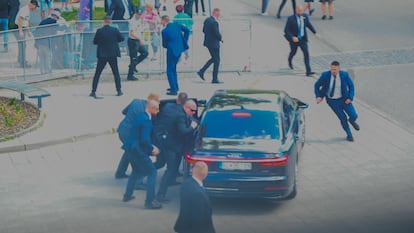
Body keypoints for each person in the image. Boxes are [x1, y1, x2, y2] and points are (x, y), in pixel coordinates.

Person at [154, 98, 198, 204]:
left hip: (177, 146)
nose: (194, 113)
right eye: (192, 110)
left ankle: (171, 181)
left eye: (195, 111)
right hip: (171, 147)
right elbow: (183, 131)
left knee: (173, 169)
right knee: (170, 169)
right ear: (186, 108)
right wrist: (192, 127)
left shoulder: (184, 114)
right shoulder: (181, 116)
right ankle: (160, 195)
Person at [122, 99, 163, 210]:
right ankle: (150, 201)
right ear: (150, 108)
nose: (158, 111)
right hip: (138, 151)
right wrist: (152, 149)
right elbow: (145, 139)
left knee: (136, 172)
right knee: (152, 172)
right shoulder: (146, 121)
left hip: (130, 149)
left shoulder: (140, 117)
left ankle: (127, 195)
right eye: (156, 108)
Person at [115, 93, 160, 179]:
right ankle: (138, 181)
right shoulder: (146, 113)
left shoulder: (136, 101)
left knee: (128, 151)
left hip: (122, 129)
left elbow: (124, 112)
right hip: (130, 134)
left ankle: (120, 173)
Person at [314, 61, 360, 142]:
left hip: (344, 99)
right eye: (332, 69)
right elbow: (317, 85)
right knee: (342, 118)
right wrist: (318, 96)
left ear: (339, 69)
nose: (333, 71)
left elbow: (351, 86)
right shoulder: (325, 75)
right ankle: (349, 134)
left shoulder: (344, 75)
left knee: (354, 115)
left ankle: (352, 121)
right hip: (333, 102)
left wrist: (350, 97)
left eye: (335, 69)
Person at [174, 161, 216, 233]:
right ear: (205, 174)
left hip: (184, 225)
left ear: (193, 170)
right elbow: (199, 218)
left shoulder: (186, 184)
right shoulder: (198, 193)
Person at [89, 16, 124, 98]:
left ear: (103, 22)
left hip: (102, 54)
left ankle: (93, 91)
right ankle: (119, 90)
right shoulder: (115, 30)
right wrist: (114, 41)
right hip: (113, 54)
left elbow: (95, 41)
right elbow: (122, 38)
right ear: (110, 22)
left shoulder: (99, 31)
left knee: (97, 73)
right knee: (116, 73)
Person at [284, 5, 319, 77]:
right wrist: (292, 37)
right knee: (293, 52)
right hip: (294, 40)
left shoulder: (305, 16)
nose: (300, 12)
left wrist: (315, 33)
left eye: (302, 11)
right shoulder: (291, 19)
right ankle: (290, 60)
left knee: (306, 54)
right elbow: (286, 30)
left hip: (303, 39)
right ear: (296, 10)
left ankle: (308, 71)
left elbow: (309, 25)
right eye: (299, 10)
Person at [160, 14, 190, 95]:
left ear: (164, 20)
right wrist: (184, 41)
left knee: (170, 70)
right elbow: (187, 30)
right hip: (179, 49)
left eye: (161, 21)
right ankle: (175, 86)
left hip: (171, 50)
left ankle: (174, 89)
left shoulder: (164, 31)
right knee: (174, 69)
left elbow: (164, 44)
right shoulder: (177, 25)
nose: (161, 23)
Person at [197, 8, 223, 84]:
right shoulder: (214, 22)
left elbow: (203, 30)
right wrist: (221, 38)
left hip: (208, 42)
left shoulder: (207, 20)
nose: (219, 16)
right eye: (218, 14)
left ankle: (202, 71)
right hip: (214, 44)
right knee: (217, 60)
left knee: (214, 59)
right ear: (216, 13)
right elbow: (217, 33)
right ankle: (214, 78)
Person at [33, 9, 59, 74]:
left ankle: (42, 71)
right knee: (48, 57)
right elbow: (54, 33)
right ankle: (48, 71)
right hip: (47, 42)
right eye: (57, 18)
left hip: (40, 42)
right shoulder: (53, 22)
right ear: (55, 17)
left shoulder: (43, 21)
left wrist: (36, 43)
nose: (57, 19)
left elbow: (36, 31)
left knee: (42, 58)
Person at [15, 0, 39, 68]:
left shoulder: (28, 10)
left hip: (23, 28)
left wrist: (28, 31)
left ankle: (21, 60)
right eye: (35, 6)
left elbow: (27, 21)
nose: (35, 8)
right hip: (19, 28)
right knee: (22, 45)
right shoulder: (25, 10)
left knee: (23, 45)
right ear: (32, 4)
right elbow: (20, 20)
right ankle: (22, 63)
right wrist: (20, 31)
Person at [126, 9, 149, 81]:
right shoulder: (133, 21)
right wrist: (140, 39)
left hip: (138, 40)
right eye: (138, 14)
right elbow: (131, 33)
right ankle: (130, 75)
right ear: (135, 14)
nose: (139, 16)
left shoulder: (139, 20)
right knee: (133, 58)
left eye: (140, 14)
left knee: (145, 53)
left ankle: (133, 65)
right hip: (133, 41)